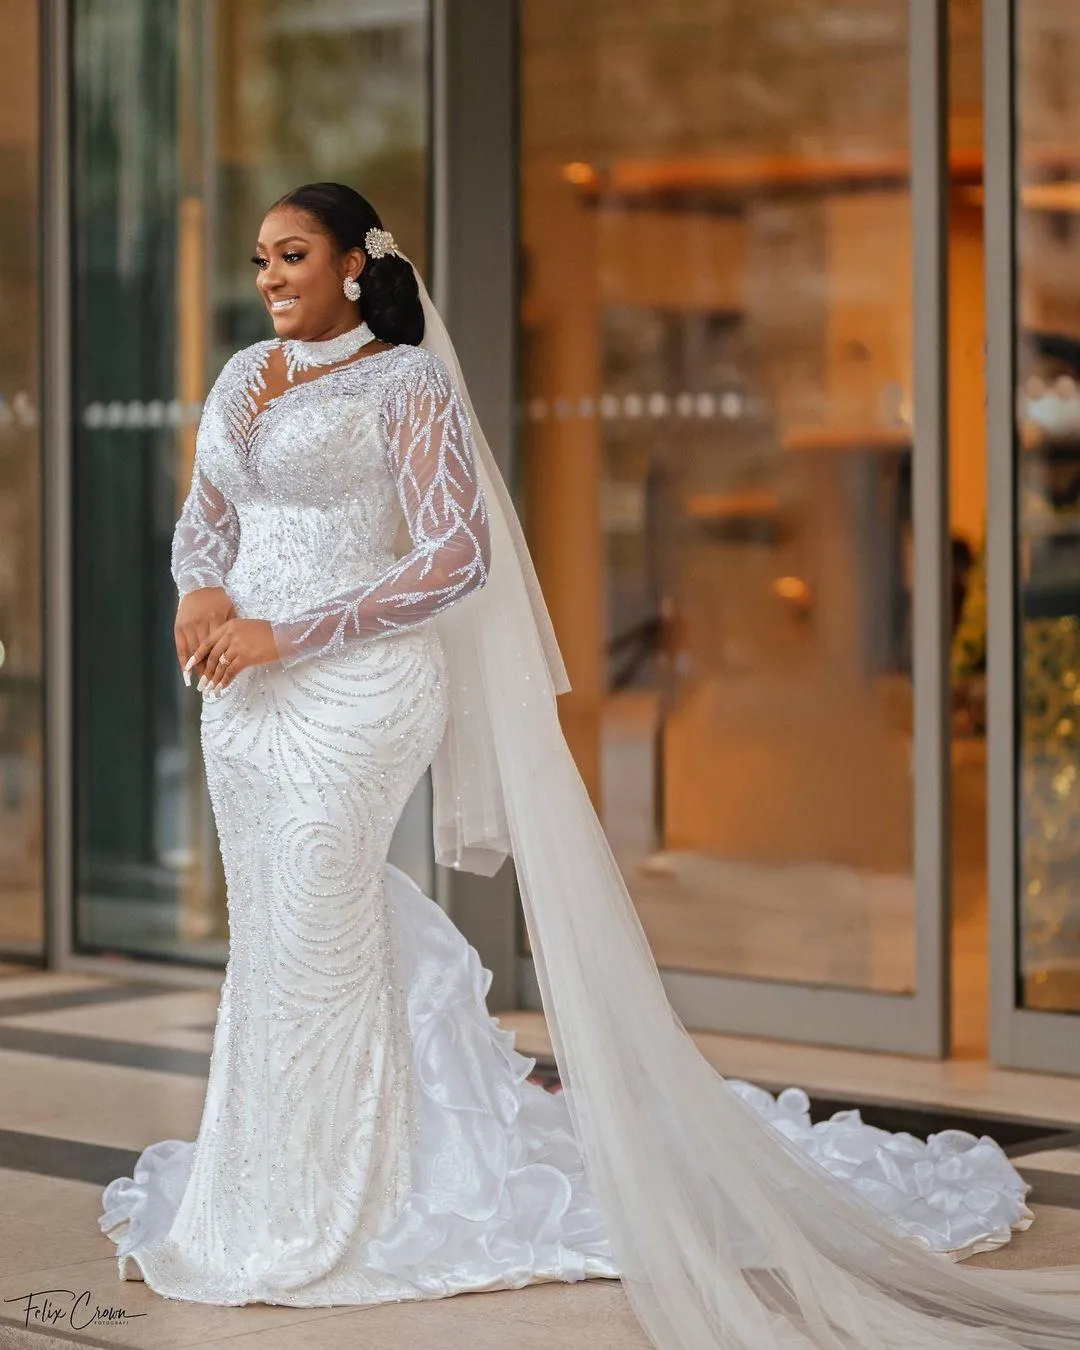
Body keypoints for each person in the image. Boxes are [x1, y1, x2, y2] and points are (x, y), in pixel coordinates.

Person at [98, 183, 1080, 1346]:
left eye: (293, 255)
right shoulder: (240, 378)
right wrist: (201, 587)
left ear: (357, 263)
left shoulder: (405, 381)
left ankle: (339, 1208)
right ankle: (271, 1184)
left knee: (314, 910)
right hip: (241, 701)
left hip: (358, 689)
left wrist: (291, 630)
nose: (269, 276)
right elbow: (208, 507)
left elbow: (457, 558)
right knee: (277, 934)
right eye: (262, 257)